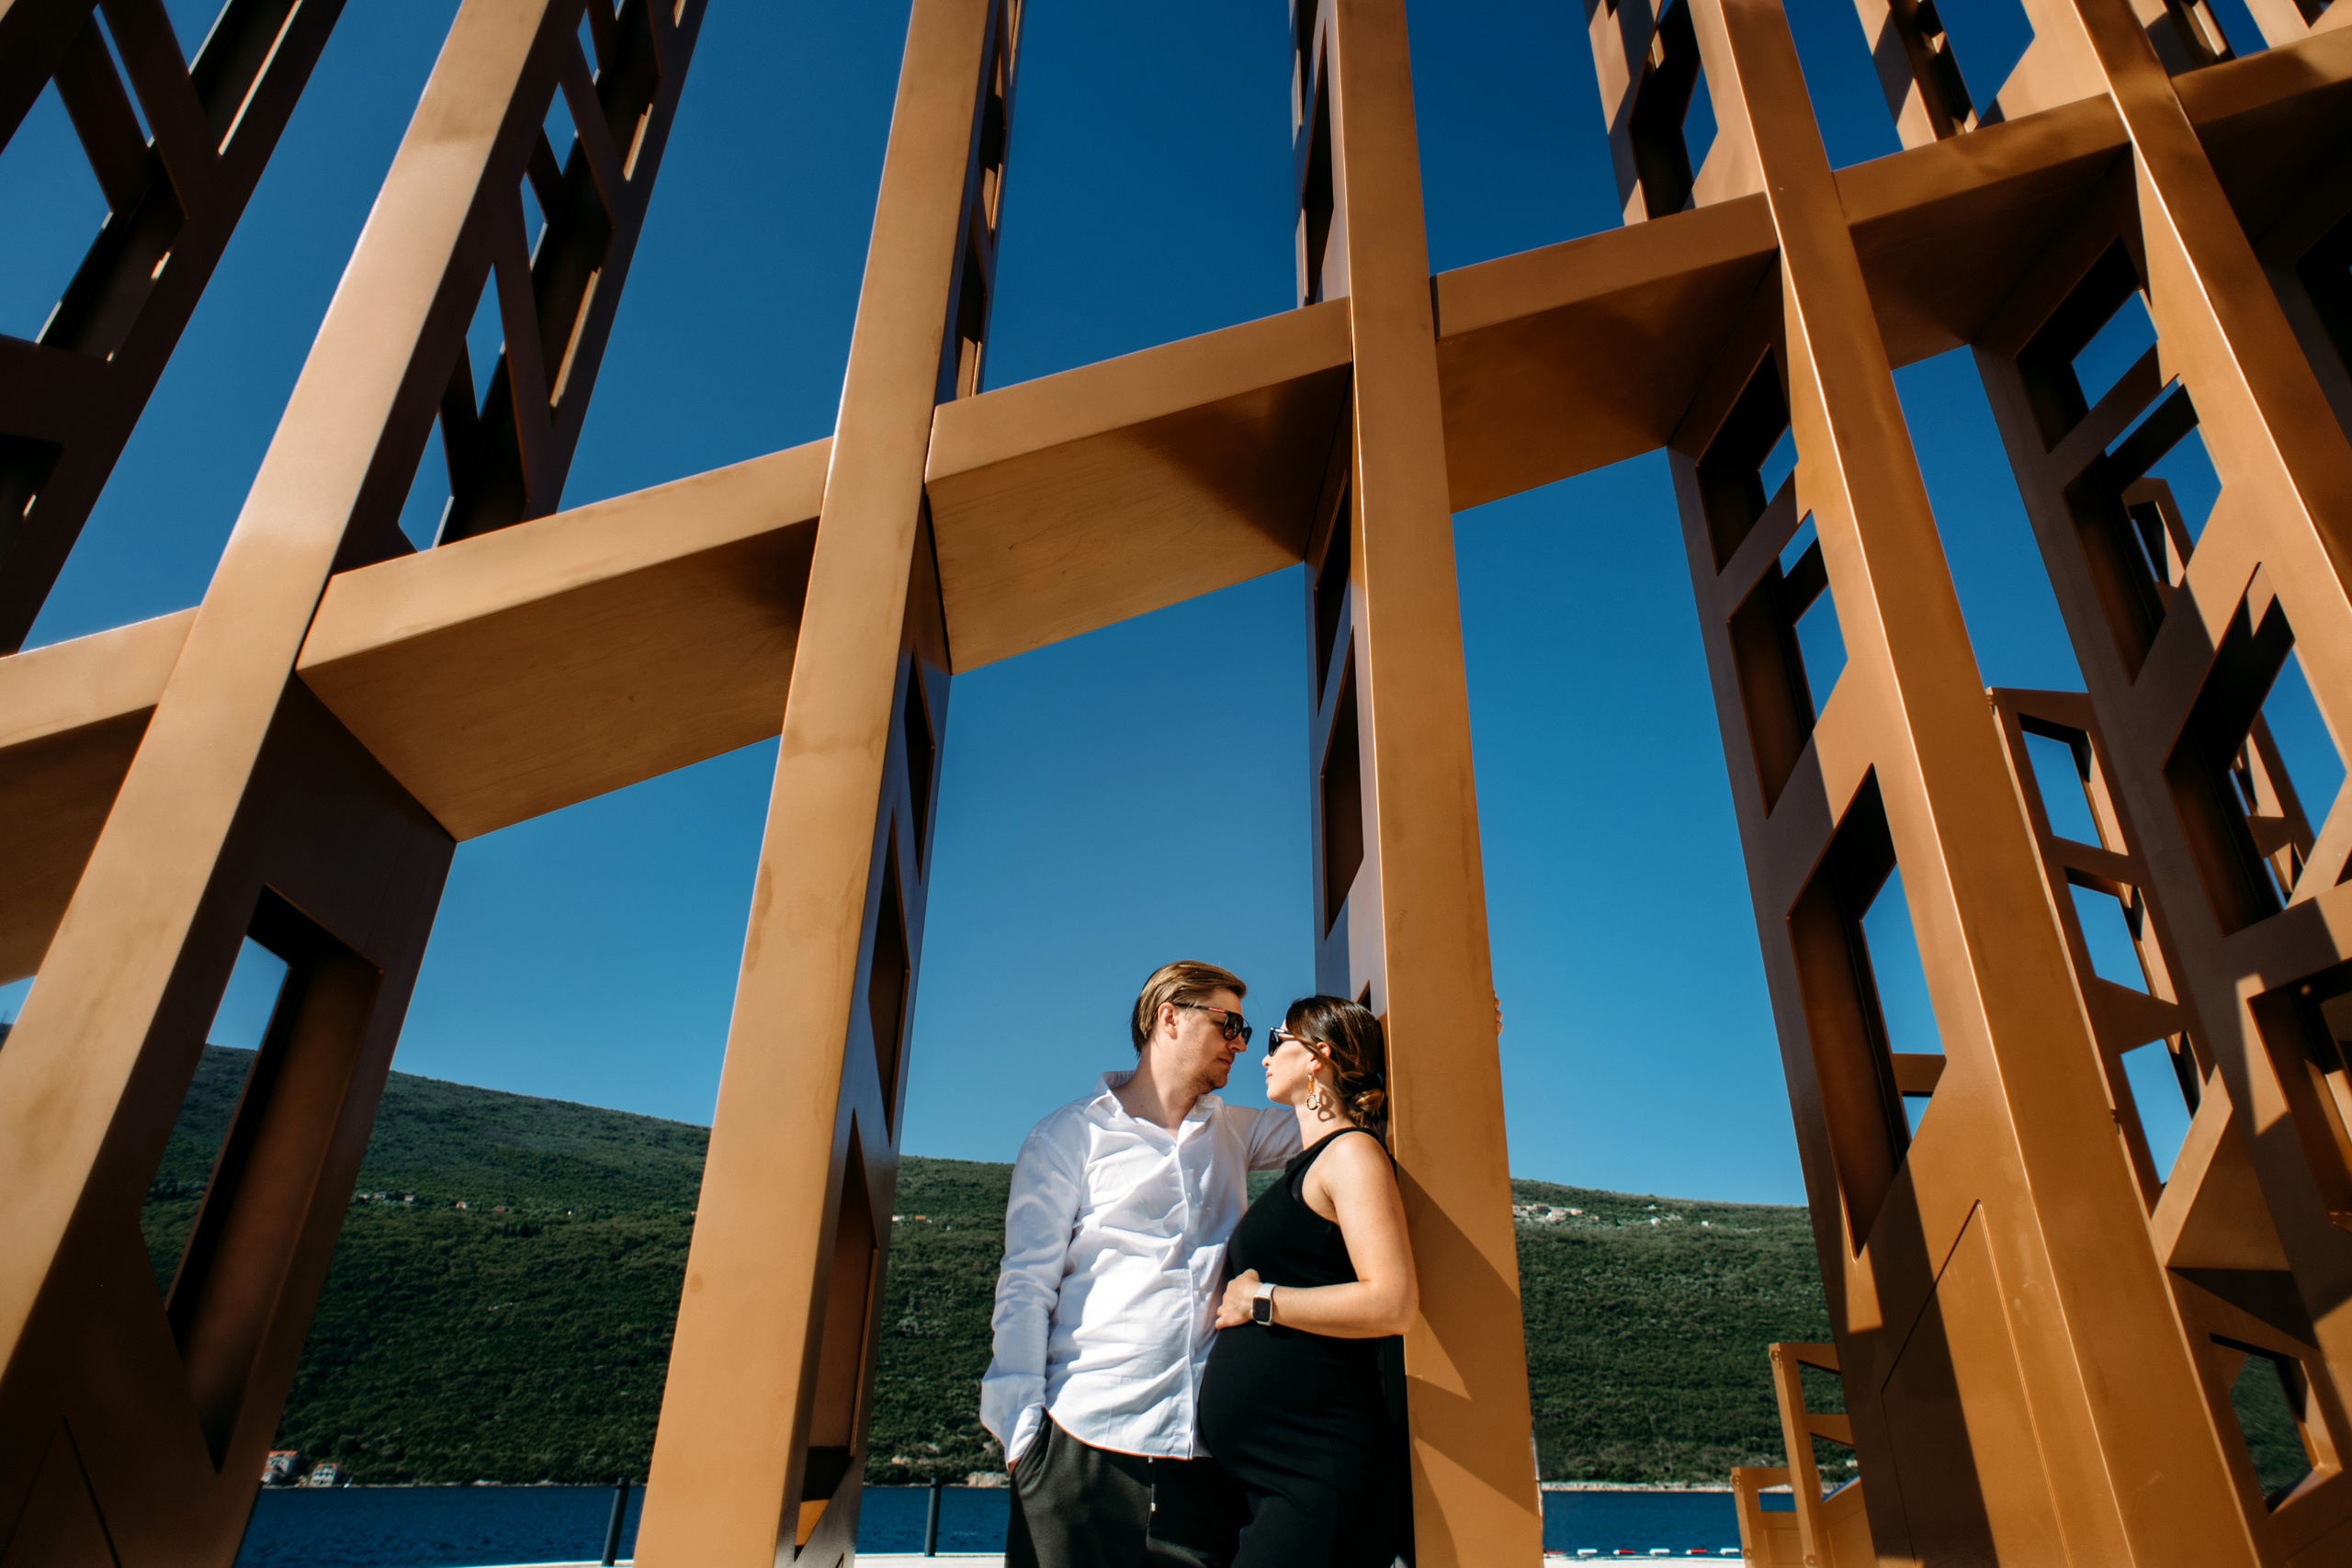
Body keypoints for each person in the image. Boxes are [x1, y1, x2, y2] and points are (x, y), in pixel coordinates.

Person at [982, 961, 1303, 1568]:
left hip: (1203, 1462)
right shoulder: (1068, 1135)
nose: (1240, 1041)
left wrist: (1455, 1030)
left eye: (1245, 1027)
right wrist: (1025, 1440)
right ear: (1169, 1018)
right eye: (1229, 1022)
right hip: (1077, 1449)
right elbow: (1025, 1285)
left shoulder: (1235, 1132)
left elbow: (1337, 1120)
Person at [1198, 996, 1419, 1568]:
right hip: (1282, 1477)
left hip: (1321, 1472)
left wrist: (1263, 1301)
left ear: (1318, 1056)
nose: (1263, 1056)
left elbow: (1392, 1302)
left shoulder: (1352, 1155)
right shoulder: (1314, 1161)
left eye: (1277, 1040)